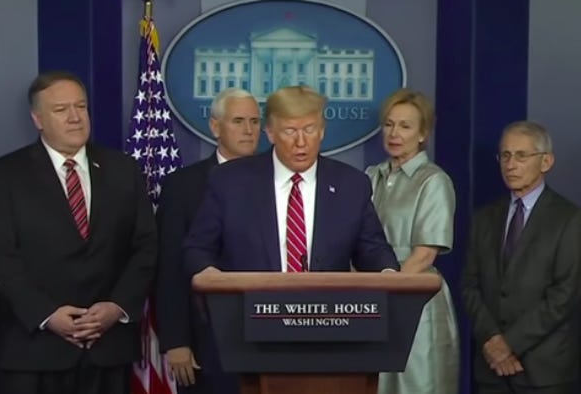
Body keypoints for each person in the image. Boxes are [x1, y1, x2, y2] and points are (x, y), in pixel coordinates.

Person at [0, 71, 157, 394]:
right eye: (61, 110)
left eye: (81, 106)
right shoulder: (5, 175)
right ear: (38, 119)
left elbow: (145, 247)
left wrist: (116, 307)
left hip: (107, 349)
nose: (75, 117)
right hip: (34, 352)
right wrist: (47, 315)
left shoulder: (123, 169)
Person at [184, 85, 398, 276]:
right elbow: (198, 249)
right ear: (270, 133)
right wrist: (210, 275)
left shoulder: (351, 185)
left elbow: (373, 250)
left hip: (325, 307)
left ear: (322, 131)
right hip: (250, 306)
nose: (301, 142)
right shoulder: (230, 182)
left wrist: (388, 273)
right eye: (290, 131)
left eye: (309, 129)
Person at [462, 121, 581, 394]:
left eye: (521, 156)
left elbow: (565, 295)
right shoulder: (484, 218)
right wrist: (491, 341)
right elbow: (469, 286)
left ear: (546, 162)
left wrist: (508, 344)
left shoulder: (569, 219)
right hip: (491, 370)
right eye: (505, 156)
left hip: (544, 371)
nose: (511, 165)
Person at [155, 88, 261, 393]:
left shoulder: (279, 180)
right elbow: (170, 268)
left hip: (268, 335)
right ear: (215, 126)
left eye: (255, 121)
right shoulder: (183, 186)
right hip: (206, 342)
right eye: (238, 121)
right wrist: (176, 341)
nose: (248, 130)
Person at [364, 89, 459, 394]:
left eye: (405, 126)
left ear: (422, 134)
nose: (394, 133)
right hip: (374, 300)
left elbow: (424, 255)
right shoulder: (371, 176)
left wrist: (387, 293)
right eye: (389, 124)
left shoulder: (433, 181)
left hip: (415, 299)